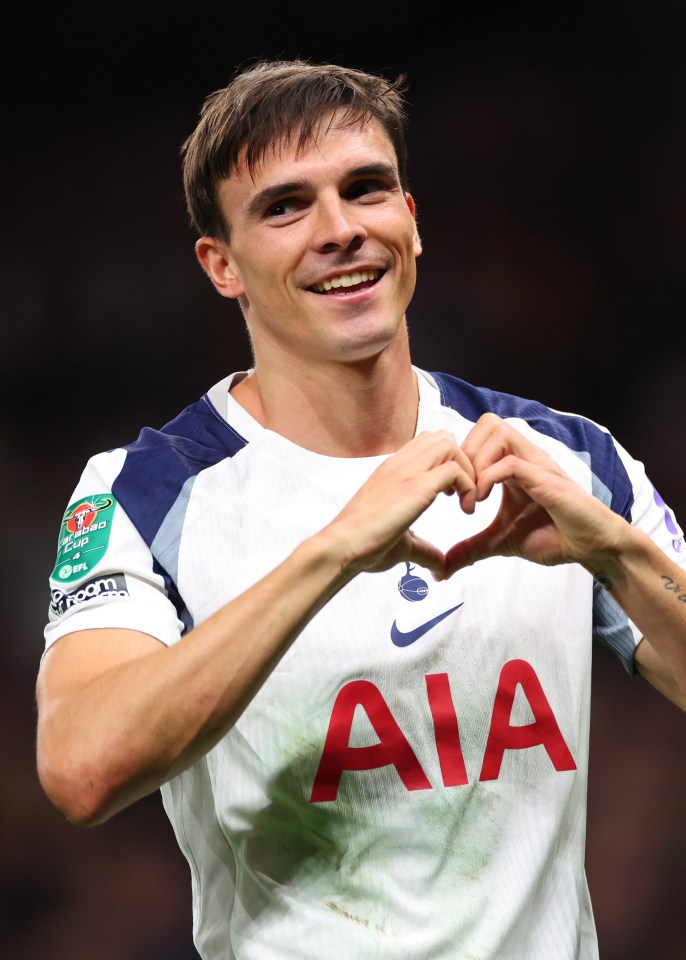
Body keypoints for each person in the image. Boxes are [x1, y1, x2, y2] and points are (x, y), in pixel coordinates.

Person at [36, 58, 686, 960]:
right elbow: (80, 767)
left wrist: (614, 550)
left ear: (411, 224)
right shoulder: (143, 491)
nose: (340, 230)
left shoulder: (566, 457)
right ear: (220, 264)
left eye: (366, 189)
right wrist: (332, 550)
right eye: (285, 206)